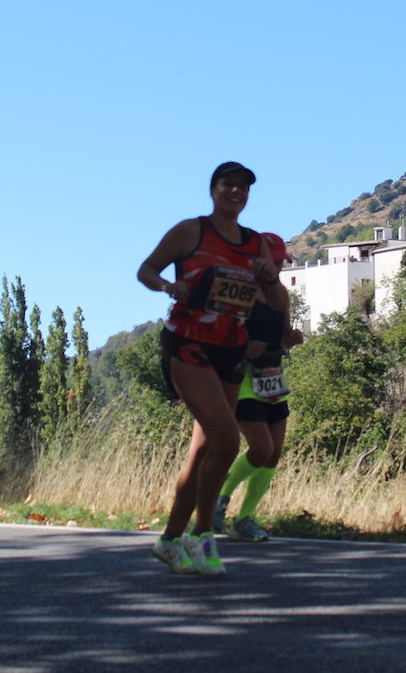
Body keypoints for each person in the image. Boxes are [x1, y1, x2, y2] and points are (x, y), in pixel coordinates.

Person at [136, 161, 277, 575]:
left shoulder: (256, 244)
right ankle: (201, 535)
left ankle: (168, 541)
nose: (236, 191)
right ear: (213, 190)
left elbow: (272, 301)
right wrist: (167, 286)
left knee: (202, 452)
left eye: (243, 187)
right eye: (228, 184)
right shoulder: (190, 231)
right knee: (226, 439)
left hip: (230, 350)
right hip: (189, 344)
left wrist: (269, 279)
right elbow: (146, 269)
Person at [212, 232, 303, 542]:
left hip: (273, 375)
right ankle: (218, 499)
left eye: (281, 263)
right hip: (243, 377)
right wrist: (243, 346)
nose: (278, 269)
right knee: (260, 448)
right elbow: (218, 333)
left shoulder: (280, 294)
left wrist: (291, 339)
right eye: (274, 263)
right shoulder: (240, 291)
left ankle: (245, 518)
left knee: (274, 453)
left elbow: (282, 334)